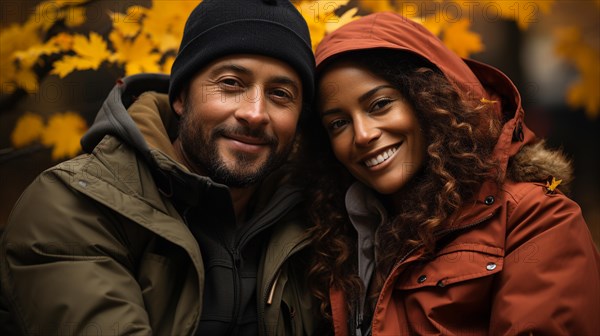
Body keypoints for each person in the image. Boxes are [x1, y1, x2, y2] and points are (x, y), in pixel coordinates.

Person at [0, 0, 320, 335]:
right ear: (180, 97)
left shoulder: (317, 223)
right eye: (231, 83)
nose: (255, 113)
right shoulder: (73, 206)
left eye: (280, 94)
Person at [304, 12, 600, 335]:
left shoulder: (535, 219)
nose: (362, 134)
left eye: (380, 105)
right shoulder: (338, 238)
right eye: (338, 123)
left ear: (427, 99)